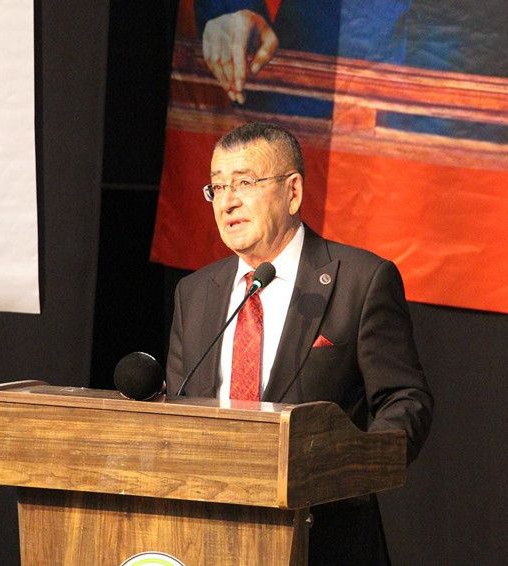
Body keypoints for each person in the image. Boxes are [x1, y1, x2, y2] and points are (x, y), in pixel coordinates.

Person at [166, 121, 433, 564]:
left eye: (245, 183)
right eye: (217, 187)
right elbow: (179, 410)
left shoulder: (361, 281)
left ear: (293, 192)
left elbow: (405, 399)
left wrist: (351, 470)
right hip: (209, 538)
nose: (227, 202)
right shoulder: (194, 294)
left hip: (325, 538)